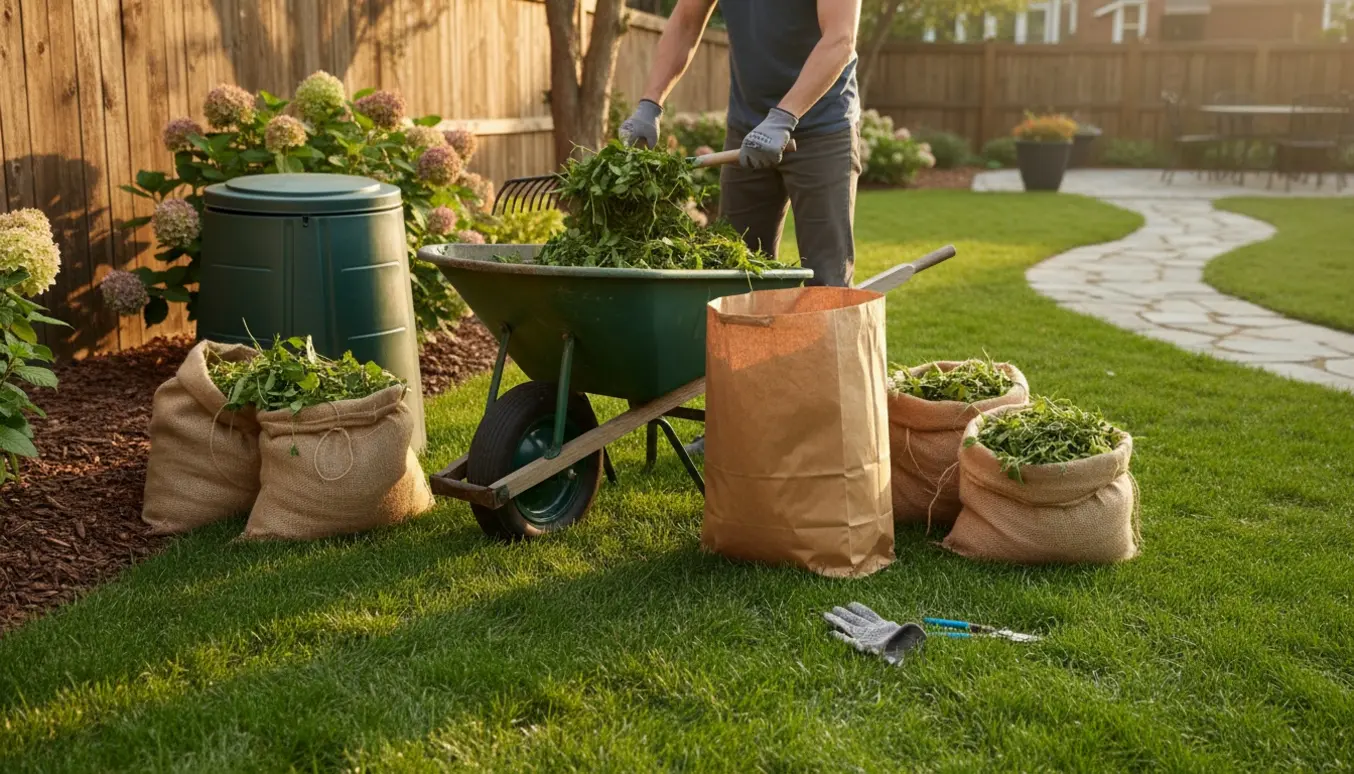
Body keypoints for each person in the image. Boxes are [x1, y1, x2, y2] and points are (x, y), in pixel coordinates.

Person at [618, 0, 863, 456]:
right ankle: (736, 425)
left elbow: (840, 40)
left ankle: (829, 435)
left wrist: (785, 115)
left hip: (822, 128)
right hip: (748, 129)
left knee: (827, 285)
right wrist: (650, 104)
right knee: (736, 281)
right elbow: (686, 22)